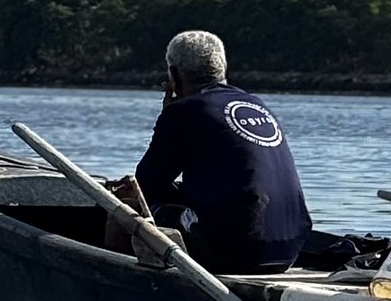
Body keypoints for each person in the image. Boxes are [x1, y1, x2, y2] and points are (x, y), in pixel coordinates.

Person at [133, 30, 313, 274]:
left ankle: (120, 273)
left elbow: (146, 183)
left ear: (173, 75)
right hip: (290, 248)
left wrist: (166, 118)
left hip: (237, 252)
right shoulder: (256, 104)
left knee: (135, 206)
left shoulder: (183, 111)